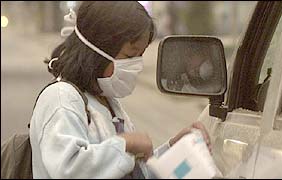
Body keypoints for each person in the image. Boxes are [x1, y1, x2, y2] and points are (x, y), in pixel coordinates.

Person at [29, 1, 211, 179]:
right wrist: (126, 144)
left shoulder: (107, 103)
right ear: (97, 51)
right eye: (130, 55)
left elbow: (131, 170)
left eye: (140, 56)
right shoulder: (61, 99)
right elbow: (67, 169)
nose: (136, 65)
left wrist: (174, 149)